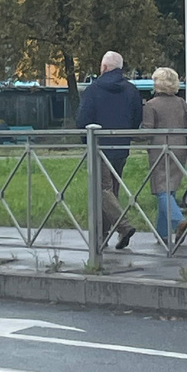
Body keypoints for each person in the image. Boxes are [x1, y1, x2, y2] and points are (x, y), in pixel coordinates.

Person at [76, 50, 142, 250]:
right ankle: (101, 236)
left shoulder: (93, 90)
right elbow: (137, 118)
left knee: (101, 189)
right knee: (111, 191)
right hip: (121, 146)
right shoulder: (132, 90)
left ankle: (123, 226)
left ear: (104, 67)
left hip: (98, 145)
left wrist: (86, 140)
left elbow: (82, 119)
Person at [141, 66, 187, 248]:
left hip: (160, 150)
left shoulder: (151, 105)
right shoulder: (181, 102)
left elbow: (147, 131)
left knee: (161, 189)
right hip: (180, 148)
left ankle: (179, 220)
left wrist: (130, 135)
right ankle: (162, 233)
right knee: (170, 189)